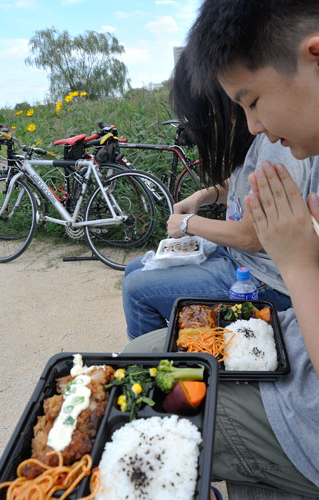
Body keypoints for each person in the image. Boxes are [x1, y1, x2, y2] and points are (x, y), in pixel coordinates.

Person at [123, 1, 319, 496]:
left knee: (133, 391)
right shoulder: (298, 142)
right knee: (143, 350)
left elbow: (259, 237)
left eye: (251, 101)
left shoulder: (291, 143)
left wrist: (298, 261)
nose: (251, 125)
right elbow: (250, 199)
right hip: (289, 341)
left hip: (302, 413)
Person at [122, 51, 311, 341]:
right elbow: (242, 187)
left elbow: (251, 236)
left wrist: (188, 224)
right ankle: (174, 343)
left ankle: (157, 363)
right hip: (240, 258)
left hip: (264, 280)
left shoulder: (276, 139)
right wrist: (202, 196)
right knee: (135, 268)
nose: (208, 117)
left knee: (136, 290)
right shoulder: (256, 131)